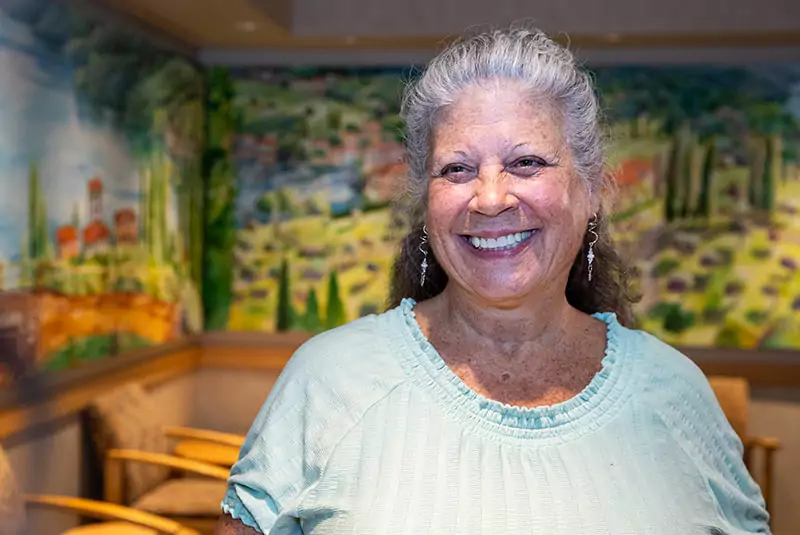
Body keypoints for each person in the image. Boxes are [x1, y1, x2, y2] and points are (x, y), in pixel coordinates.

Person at [214, 24, 770, 535]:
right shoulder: (327, 382)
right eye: (456, 169)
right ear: (425, 203)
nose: (491, 197)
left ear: (592, 190)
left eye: (526, 162)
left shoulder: (677, 396)